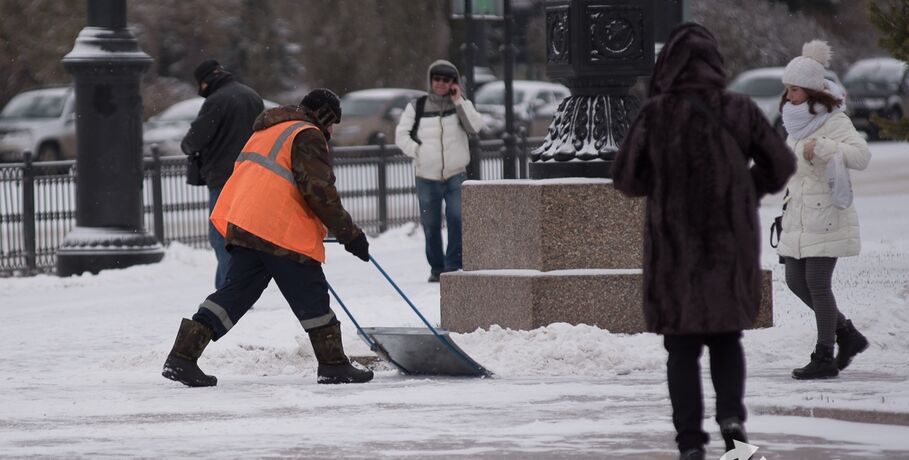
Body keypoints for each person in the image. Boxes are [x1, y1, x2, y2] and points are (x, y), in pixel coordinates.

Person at [611, 24, 796, 460]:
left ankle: (690, 443)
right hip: (728, 247)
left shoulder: (656, 114)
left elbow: (626, 178)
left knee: (682, 348)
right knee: (726, 339)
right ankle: (733, 424)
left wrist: (665, 183)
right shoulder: (740, 108)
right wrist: (746, 188)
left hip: (674, 251)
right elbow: (781, 161)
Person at [162, 88, 374, 387]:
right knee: (311, 294)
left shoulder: (269, 130)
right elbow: (319, 192)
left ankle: (181, 357)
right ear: (325, 115)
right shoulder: (307, 134)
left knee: (233, 295)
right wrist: (350, 235)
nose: (330, 131)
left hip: (247, 224)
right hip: (278, 229)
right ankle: (333, 366)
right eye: (332, 123)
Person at [776, 40, 872, 380]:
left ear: (813, 91)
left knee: (816, 281)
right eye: (787, 89)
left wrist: (827, 148)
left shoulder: (833, 122)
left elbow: (861, 156)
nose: (789, 96)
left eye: (795, 89)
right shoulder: (795, 123)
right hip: (799, 217)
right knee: (793, 280)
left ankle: (825, 356)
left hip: (827, 215)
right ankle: (847, 335)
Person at [394, 60, 485, 282]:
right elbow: (401, 135)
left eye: (446, 80)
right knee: (431, 225)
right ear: (430, 80)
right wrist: (418, 151)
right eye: (437, 79)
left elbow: (475, 126)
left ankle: (453, 265)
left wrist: (458, 101)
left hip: (456, 174)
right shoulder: (418, 106)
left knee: (456, 218)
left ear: (454, 83)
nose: (441, 84)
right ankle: (437, 268)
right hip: (427, 176)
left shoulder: (460, 104)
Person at [181, 59, 265, 290]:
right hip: (252, 176)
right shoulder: (251, 96)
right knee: (242, 237)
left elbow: (195, 139)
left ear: (205, 82)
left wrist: (188, 146)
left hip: (224, 178)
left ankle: (231, 289)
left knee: (221, 236)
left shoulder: (217, 101)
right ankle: (229, 287)